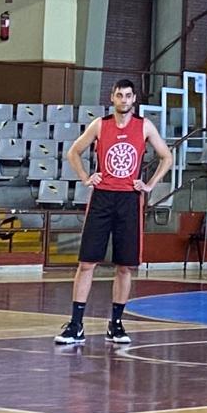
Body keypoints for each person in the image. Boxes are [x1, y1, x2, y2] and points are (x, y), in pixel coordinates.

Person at [55, 79, 174, 345]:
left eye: (128, 96)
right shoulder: (100, 125)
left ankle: (116, 324)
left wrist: (149, 185)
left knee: (125, 266)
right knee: (87, 263)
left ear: (134, 99)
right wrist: (86, 177)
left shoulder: (144, 126)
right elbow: (74, 152)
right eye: (119, 95)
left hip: (129, 200)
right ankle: (76, 325)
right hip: (102, 197)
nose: (123, 100)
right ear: (112, 98)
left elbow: (167, 156)